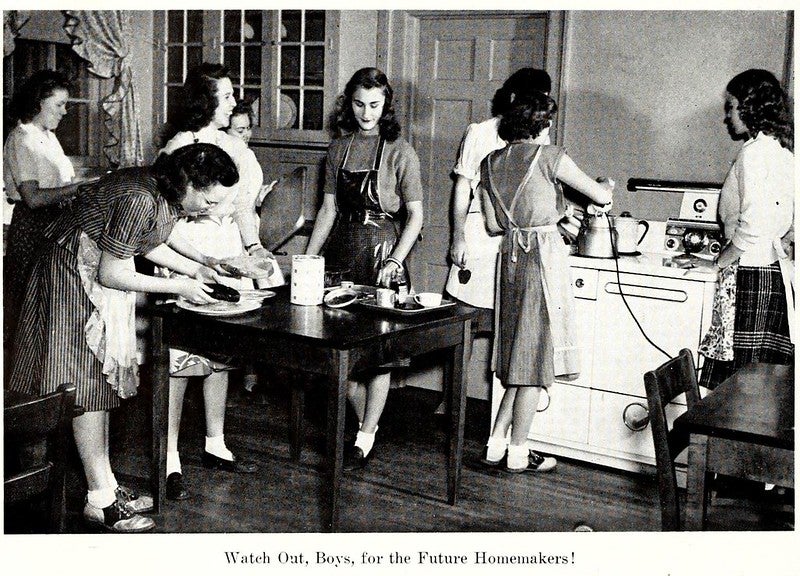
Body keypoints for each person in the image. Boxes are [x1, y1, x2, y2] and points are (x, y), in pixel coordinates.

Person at [8, 143, 239, 531]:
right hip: (69, 274)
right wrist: (181, 285)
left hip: (86, 270)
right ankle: (100, 501)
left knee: (97, 386)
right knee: (85, 386)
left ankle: (106, 488)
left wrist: (201, 265)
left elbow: (152, 239)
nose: (209, 209)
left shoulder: (160, 189)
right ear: (188, 183)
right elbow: (112, 273)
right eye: (208, 200)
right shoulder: (139, 196)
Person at [158, 64, 278, 501]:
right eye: (226, 96)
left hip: (228, 246)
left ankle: (215, 441)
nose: (233, 102)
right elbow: (167, 215)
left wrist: (254, 247)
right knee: (182, 357)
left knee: (221, 352)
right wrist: (195, 262)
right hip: (187, 247)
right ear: (204, 100)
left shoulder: (234, 146)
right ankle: (168, 454)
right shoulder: (179, 147)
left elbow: (243, 205)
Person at [478, 92, 613, 473]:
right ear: (542, 125)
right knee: (535, 361)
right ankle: (519, 452)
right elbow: (600, 196)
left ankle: (496, 444)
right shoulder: (551, 156)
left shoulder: (490, 162)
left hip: (510, 258)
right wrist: (605, 187)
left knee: (519, 357)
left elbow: (493, 224)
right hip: (542, 260)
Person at [304, 67, 424, 470]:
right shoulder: (338, 148)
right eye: (359, 104)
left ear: (386, 104)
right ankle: (363, 423)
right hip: (343, 249)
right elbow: (328, 210)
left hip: (384, 251)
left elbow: (416, 215)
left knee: (381, 352)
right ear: (348, 104)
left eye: (374, 105)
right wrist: (310, 259)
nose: (366, 113)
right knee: (339, 349)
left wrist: (395, 260)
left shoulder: (401, 151)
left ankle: (367, 434)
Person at [697, 69, 794, 388]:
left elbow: (752, 225)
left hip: (748, 273)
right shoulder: (783, 152)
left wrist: (720, 261)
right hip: (771, 272)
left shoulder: (754, 154)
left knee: (735, 384)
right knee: (757, 384)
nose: (727, 116)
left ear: (750, 107)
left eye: (731, 107)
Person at [3, 71, 97, 370]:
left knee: (49, 308)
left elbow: (58, 184)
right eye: (59, 104)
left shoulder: (48, 137)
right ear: (38, 102)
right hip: (33, 226)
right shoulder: (22, 138)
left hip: (54, 224)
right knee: (28, 307)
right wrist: (80, 188)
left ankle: (46, 378)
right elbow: (32, 198)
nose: (65, 111)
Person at [446, 68, 554, 320]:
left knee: (511, 318)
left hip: (519, 236)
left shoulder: (541, 136)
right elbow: (463, 186)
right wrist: (458, 236)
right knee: (467, 316)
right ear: (514, 97)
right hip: (480, 233)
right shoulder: (480, 132)